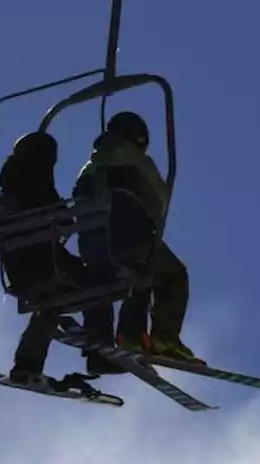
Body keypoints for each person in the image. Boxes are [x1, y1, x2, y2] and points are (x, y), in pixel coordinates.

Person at [72, 110, 202, 365]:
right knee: (172, 273)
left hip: (93, 251)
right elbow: (159, 202)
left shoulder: (88, 168)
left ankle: (128, 337)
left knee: (135, 272)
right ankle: (162, 338)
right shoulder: (138, 162)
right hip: (130, 242)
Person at [0, 131, 92, 385]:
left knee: (50, 305)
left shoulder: (6, 195)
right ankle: (100, 343)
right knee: (100, 277)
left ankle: (26, 365)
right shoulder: (37, 187)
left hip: (21, 273)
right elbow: (65, 218)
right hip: (46, 267)